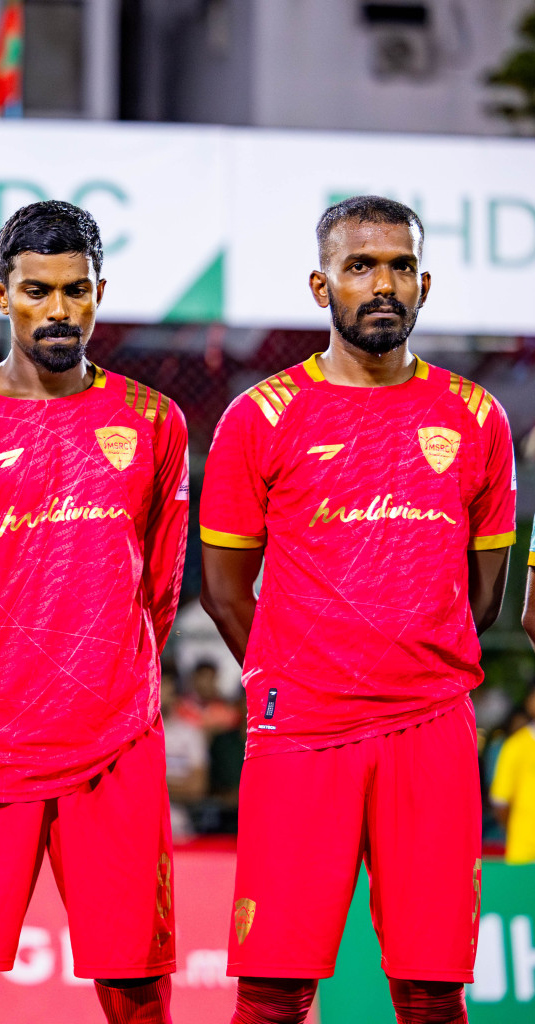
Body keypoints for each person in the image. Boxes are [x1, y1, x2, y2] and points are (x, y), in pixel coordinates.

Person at [200, 196, 515, 1024]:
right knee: (273, 991)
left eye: (400, 267)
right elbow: (225, 589)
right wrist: (294, 675)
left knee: (431, 990)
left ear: (425, 283)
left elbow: (483, 594)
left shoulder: (476, 417)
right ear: (320, 284)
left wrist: (418, 663)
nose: (383, 284)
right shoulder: (260, 417)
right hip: (301, 727)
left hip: (433, 726)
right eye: (360, 266)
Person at [0, 200, 187, 1024]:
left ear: (98, 292)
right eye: (37, 291)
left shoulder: (155, 421)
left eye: (76, 291)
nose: (59, 310)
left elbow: (157, 584)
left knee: (137, 992)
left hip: (115, 739)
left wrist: (108, 677)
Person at [490, 688, 535, 866]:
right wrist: (519, 831)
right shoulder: (514, 746)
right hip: (524, 852)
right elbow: (500, 802)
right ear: (530, 702)